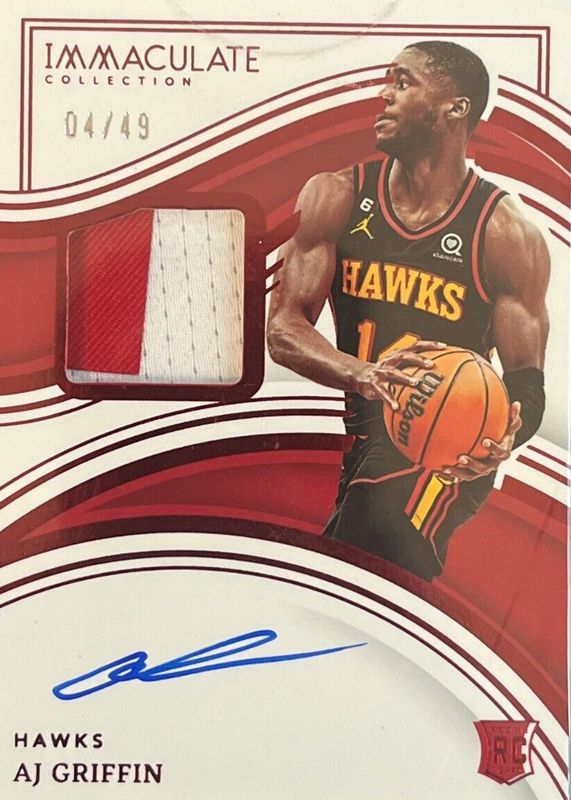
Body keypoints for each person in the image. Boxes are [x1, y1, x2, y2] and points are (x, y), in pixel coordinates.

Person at [266, 40, 549, 580]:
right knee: (345, 573)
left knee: (367, 539)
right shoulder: (336, 196)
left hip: (445, 452)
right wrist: (364, 374)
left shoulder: (503, 232)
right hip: (367, 439)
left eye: (403, 82)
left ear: (455, 108)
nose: (383, 94)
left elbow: (526, 382)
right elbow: (283, 327)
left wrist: (505, 437)